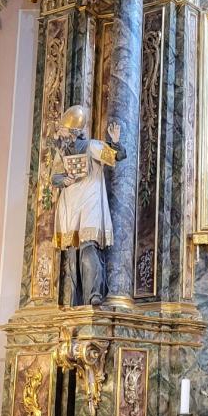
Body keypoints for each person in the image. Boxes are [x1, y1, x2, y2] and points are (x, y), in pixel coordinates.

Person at [52, 104, 125, 306]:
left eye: (64, 130)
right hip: (70, 205)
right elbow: (55, 177)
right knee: (72, 253)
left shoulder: (92, 146)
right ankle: (75, 299)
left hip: (90, 202)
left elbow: (116, 156)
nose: (61, 134)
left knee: (88, 248)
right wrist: (63, 180)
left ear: (73, 132)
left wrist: (115, 143)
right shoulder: (62, 152)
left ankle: (93, 294)